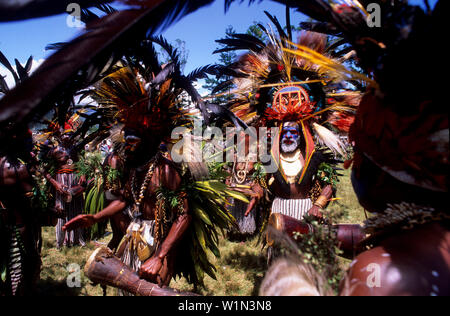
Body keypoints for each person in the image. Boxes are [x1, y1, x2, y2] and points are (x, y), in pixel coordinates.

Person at [0, 126, 41, 296]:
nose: (30, 147)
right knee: (25, 268)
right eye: (27, 143)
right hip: (18, 228)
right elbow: (34, 202)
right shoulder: (18, 169)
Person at [45, 145, 86, 249]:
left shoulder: (73, 148)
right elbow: (43, 170)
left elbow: (82, 163)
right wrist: (55, 183)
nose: (67, 136)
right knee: (61, 212)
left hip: (75, 182)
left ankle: (76, 239)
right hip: (60, 183)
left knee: (76, 210)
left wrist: (83, 174)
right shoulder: (53, 150)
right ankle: (61, 241)